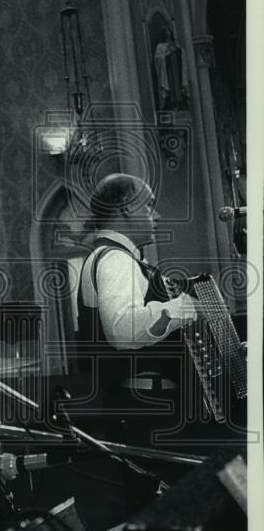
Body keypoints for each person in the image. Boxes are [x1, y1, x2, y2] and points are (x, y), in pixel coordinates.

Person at [74, 173, 198, 443]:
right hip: (150, 407)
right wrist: (183, 308)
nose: (157, 215)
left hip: (142, 404)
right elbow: (122, 330)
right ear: (127, 206)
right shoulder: (115, 259)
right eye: (149, 205)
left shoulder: (112, 257)